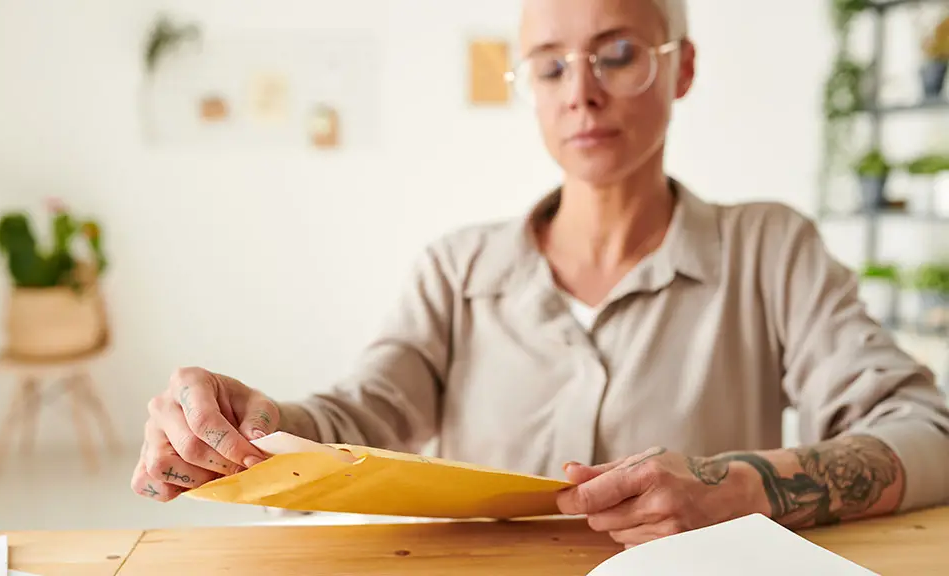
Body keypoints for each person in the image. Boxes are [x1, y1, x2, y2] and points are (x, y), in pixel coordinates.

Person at [133, 0, 949, 547]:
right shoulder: (458, 268)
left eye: (618, 55)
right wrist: (258, 429)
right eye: (551, 67)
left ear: (683, 68)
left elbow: (931, 435)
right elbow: (366, 414)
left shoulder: (771, 251)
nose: (582, 95)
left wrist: (742, 487)